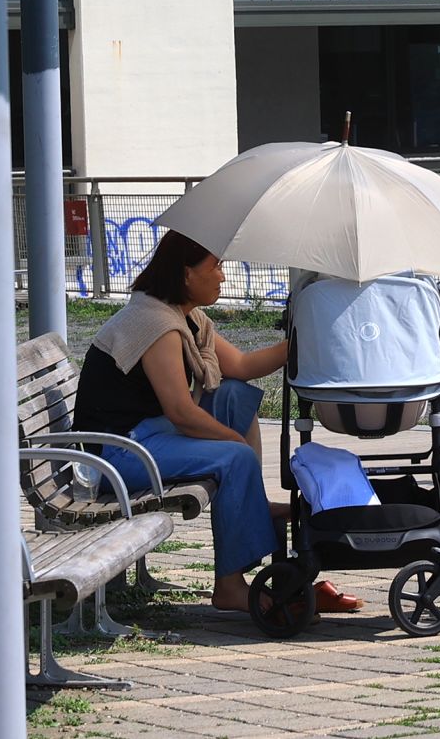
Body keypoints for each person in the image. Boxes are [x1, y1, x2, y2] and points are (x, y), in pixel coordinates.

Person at [73, 230, 362, 614]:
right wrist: (234, 444)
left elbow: (240, 366)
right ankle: (229, 586)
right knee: (234, 458)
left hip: (145, 435)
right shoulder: (155, 324)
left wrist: (306, 338)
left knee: (235, 395)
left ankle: (251, 504)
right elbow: (181, 411)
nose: (223, 276)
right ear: (186, 273)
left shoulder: (184, 316)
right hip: (120, 453)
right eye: (217, 267)